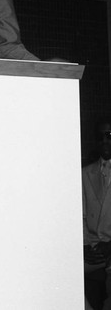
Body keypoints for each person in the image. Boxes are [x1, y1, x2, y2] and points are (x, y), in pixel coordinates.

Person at [83, 118, 111, 310]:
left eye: (109, 136)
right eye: (99, 137)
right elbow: (81, 216)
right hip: (93, 252)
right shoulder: (85, 173)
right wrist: (85, 246)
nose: (104, 141)